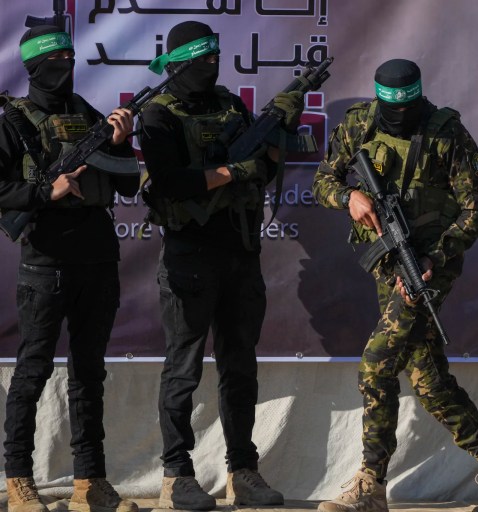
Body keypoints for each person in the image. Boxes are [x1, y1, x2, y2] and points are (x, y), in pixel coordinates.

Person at [312, 58, 478, 512]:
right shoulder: (359, 123)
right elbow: (323, 181)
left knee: (376, 366)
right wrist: (348, 197)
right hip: (385, 265)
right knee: (428, 379)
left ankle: (370, 484)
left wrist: (438, 254)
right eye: (391, 112)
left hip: (428, 268)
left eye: (406, 111)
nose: (399, 119)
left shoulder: (447, 133)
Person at [138, 21, 304, 510]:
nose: (212, 66)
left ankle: (243, 471)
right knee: (183, 369)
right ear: (181, 63)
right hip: (189, 254)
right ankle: (176, 476)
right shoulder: (157, 116)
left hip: (240, 252)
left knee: (240, 366)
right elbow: (169, 183)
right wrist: (232, 170)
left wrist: (278, 130)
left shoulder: (231, 106)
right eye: (203, 59)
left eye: (217, 57)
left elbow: (268, 167)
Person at [1, 25, 139, 512]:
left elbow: (126, 189)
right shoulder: (11, 120)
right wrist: (46, 192)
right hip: (46, 264)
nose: (65, 64)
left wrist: (120, 143)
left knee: (89, 374)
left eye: (69, 55)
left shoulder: (86, 113)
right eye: (54, 57)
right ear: (34, 65)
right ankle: (17, 477)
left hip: (98, 259)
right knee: (32, 371)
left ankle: (90, 480)